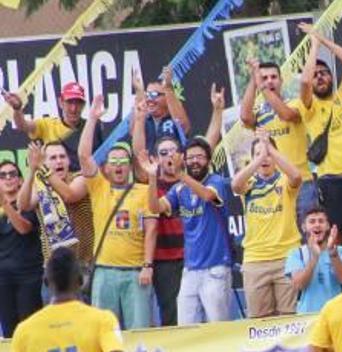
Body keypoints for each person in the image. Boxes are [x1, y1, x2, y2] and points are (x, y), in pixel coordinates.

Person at [79, 96, 157, 330]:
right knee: (104, 332)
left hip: (135, 273)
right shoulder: (99, 186)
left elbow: (152, 229)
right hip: (104, 270)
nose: (119, 165)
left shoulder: (143, 191)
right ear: (106, 167)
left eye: (123, 161)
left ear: (130, 166)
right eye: (113, 161)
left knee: (140, 331)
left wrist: (148, 265)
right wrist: (92, 119)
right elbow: (84, 156)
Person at [144, 138, 234, 324]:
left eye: (200, 157)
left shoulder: (216, 181)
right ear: (184, 160)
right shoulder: (179, 189)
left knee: (218, 331)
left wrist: (181, 175)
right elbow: (155, 208)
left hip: (215, 269)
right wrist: (152, 177)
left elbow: (208, 195)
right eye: (190, 157)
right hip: (190, 270)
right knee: (186, 329)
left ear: (208, 161)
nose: (194, 161)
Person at [299, 24, 342, 242]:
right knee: (336, 239)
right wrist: (314, 46)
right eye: (316, 75)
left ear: (331, 77)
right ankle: (340, 277)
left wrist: (323, 39)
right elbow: (304, 82)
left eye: (324, 73)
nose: (320, 77)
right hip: (332, 181)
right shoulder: (310, 108)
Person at [232, 134, 302, 318]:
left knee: (289, 317)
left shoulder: (284, 181)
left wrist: (269, 149)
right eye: (258, 154)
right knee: (258, 321)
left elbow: (296, 176)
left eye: (269, 154)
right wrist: (260, 158)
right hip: (255, 260)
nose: (264, 158)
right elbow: (235, 185)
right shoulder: (249, 184)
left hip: (286, 258)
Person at [240, 59, 314, 224]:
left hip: (301, 182)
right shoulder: (259, 112)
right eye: (264, 78)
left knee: (308, 236)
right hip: (273, 185)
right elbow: (245, 117)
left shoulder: (296, 103)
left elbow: (286, 115)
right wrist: (254, 78)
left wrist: (263, 87)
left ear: (281, 80)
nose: (269, 81)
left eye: (273, 77)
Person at [17, 141, 94, 265]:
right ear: (45, 162)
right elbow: (23, 205)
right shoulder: (41, 186)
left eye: (62, 156)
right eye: (53, 158)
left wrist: (44, 169)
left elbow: (69, 195)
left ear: (69, 160)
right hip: (54, 264)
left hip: (84, 261)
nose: (59, 161)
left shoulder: (80, 178)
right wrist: (32, 170)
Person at [2, 81, 103, 172]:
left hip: (85, 183)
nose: (73, 108)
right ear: (60, 102)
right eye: (69, 102)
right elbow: (23, 125)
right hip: (56, 186)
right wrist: (17, 108)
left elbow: (102, 160)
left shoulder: (92, 127)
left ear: (84, 105)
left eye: (78, 103)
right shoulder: (48, 125)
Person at [142, 136, 184, 326]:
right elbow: (153, 207)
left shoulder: (192, 183)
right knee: (171, 314)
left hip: (193, 259)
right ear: (156, 159)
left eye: (173, 151)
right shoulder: (153, 188)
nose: (169, 156)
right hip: (164, 262)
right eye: (163, 153)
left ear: (182, 156)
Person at [0, 159, 43, 338]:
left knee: (29, 331)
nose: (8, 178)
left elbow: (24, 228)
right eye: (3, 175)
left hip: (29, 277)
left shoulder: (28, 201)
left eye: (13, 174)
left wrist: (5, 205)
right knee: (10, 333)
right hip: (3, 279)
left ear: (20, 180)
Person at [286, 206, 342, 314]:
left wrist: (332, 253)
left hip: (337, 315)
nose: (317, 225)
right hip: (308, 318)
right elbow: (298, 284)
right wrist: (314, 258)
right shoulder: (296, 254)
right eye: (312, 222)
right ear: (304, 227)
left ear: (328, 226)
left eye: (321, 221)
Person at [136, 67, 191, 153]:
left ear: (166, 97)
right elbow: (133, 136)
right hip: (150, 165)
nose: (149, 99)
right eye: (147, 94)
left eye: (154, 94)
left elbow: (183, 127)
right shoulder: (144, 120)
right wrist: (139, 93)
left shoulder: (175, 116)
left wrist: (168, 88)